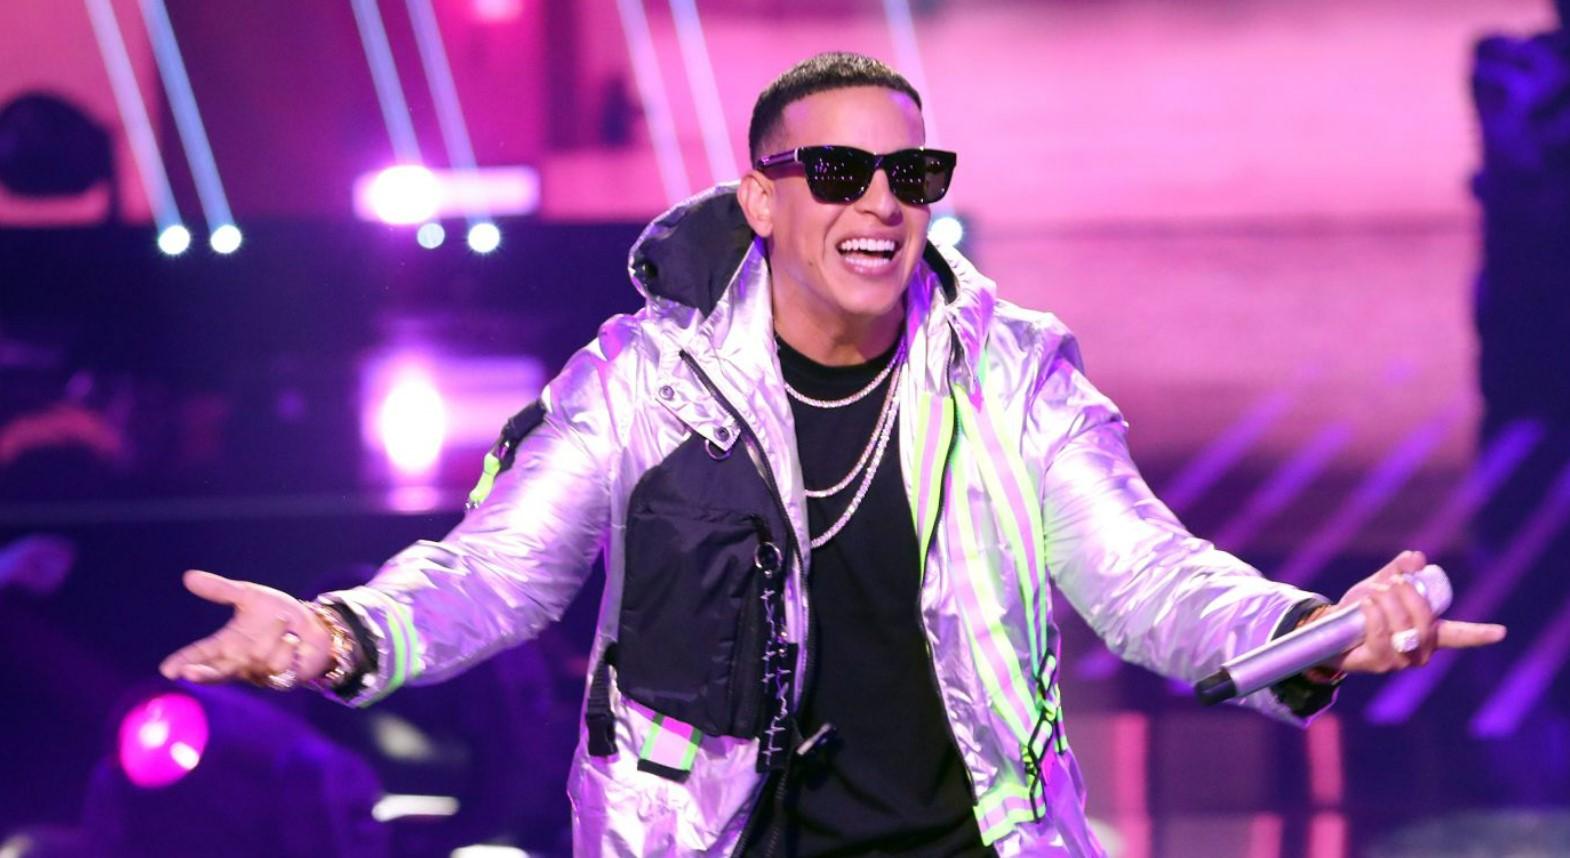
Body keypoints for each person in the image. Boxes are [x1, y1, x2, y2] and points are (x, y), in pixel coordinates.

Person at [160, 52, 1507, 857]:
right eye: (839, 173)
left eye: (909, 176)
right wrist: (340, 631)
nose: (880, 204)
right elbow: (496, 572)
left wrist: (1311, 632)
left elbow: (1150, 578)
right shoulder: (644, 377)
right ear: (761, 196)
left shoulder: (1011, 373)